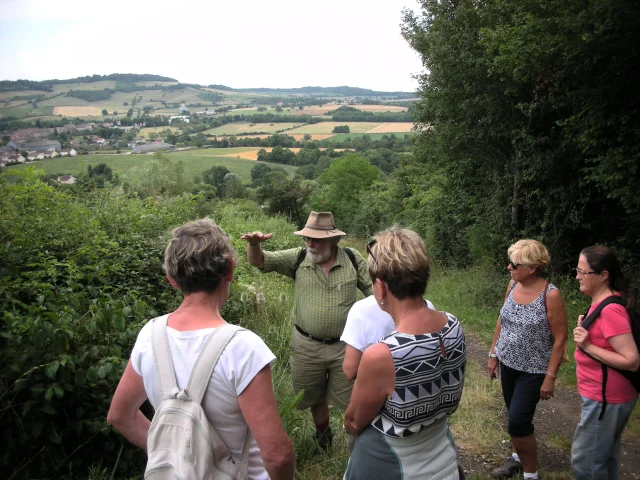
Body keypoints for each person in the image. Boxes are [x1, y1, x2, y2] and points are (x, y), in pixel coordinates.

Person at [107, 219, 295, 480]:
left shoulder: (149, 335)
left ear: (172, 280)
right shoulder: (242, 347)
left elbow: (120, 416)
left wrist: (177, 457)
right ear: (229, 269)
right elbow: (278, 455)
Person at [240, 211, 372, 453]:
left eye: (317, 240)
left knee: (352, 399)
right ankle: (323, 438)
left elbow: (376, 293)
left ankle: (355, 446)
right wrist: (255, 244)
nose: (310, 244)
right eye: (307, 238)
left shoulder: (352, 260)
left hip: (347, 347)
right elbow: (259, 261)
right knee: (313, 397)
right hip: (306, 345)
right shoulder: (299, 258)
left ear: (334, 240)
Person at [343, 227, 466, 479]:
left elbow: (354, 422)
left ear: (380, 287)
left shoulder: (382, 355)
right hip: (442, 451)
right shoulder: (454, 325)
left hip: (392, 463)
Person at [488, 239, 568, 480]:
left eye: (515, 264)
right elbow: (502, 319)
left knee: (517, 422)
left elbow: (561, 339)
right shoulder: (513, 284)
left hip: (533, 371)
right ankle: (516, 459)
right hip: (508, 364)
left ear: (532, 267)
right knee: (514, 413)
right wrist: (494, 354)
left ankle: (531, 475)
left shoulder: (550, 294)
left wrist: (550, 377)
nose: (509, 267)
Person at [571, 245, 639, 479]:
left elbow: (631, 360)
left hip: (605, 399)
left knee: (586, 464)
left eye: (583, 272)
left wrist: (588, 346)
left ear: (603, 275)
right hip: (609, 398)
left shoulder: (611, 310)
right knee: (605, 456)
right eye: (577, 270)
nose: (577, 276)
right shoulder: (603, 302)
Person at [341, 295, 435, 380]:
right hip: (426, 385)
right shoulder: (427, 306)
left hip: (383, 390)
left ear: (379, 284)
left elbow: (350, 370)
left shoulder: (361, 309)